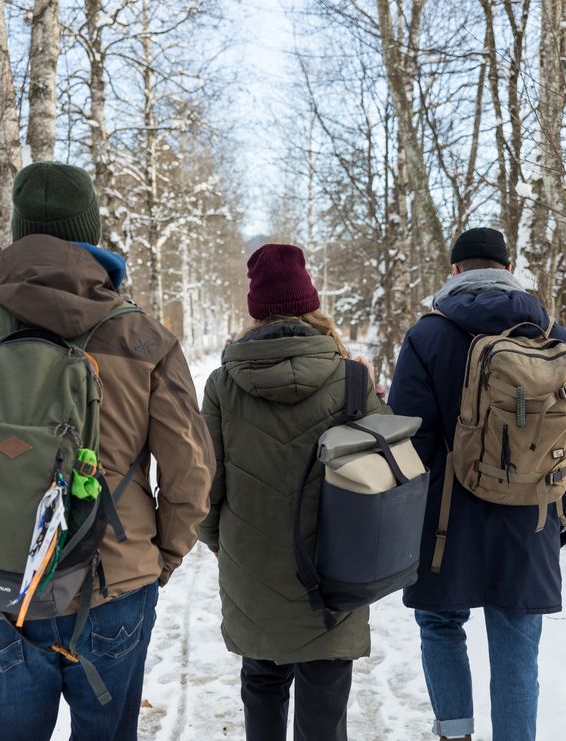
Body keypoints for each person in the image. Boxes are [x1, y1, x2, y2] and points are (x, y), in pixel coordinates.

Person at [0, 161, 214, 741]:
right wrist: (157, 559)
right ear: (89, 231)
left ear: (19, 231)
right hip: (114, 583)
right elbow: (191, 469)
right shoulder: (142, 336)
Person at [388, 227, 566, 741]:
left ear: (455, 271)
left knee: (440, 625)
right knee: (518, 641)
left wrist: (406, 520)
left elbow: (407, 437)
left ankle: (455, 734)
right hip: (532, 518)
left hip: (443, 524)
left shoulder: (427, 336)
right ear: (509, 269)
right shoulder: (557, 338)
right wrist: (563, 514)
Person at [197, 243, 385, 741]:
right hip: (334, 572)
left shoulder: (222, 384)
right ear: (311, 303)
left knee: (261, 686)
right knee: (325, 703)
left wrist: (222, 544)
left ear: (255, 309)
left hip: (251, 567)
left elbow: (203, 485)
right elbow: (385, 480)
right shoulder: (352, 379)